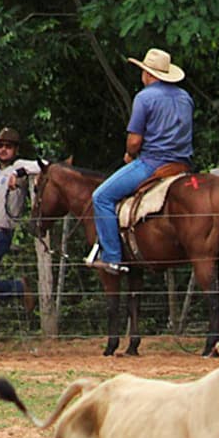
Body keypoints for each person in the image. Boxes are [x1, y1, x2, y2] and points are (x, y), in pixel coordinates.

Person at [89, 48, 194, 275]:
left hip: (153, 164)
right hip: (182, 166)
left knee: (101, 197)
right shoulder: (186, 98)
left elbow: (135, 141)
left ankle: (112, 258)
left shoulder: (144, 97)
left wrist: (129, 154)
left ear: (147, 74)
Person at [0, 127, 38, 351]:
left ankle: (17, 288)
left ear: (16, 149)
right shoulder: (0, 173)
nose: (3, 149)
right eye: (0, 145)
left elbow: (43, 165)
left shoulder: (18, 166)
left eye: (8, 146)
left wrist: (20, 174)